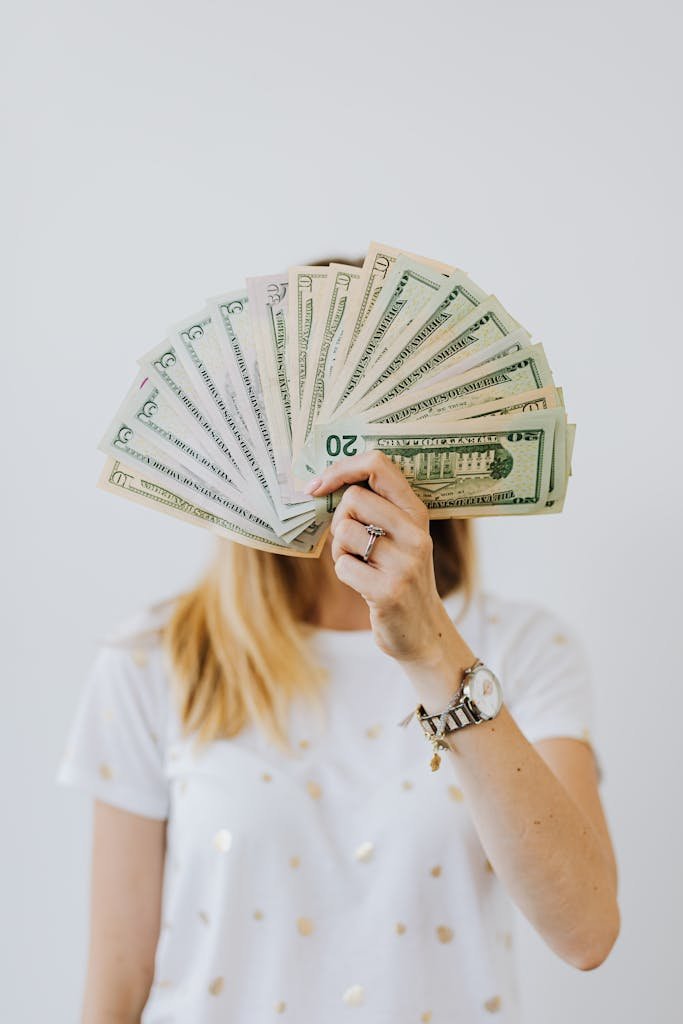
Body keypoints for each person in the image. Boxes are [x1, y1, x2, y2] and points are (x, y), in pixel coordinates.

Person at [56, 448, 619, 1023]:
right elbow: (119, 980)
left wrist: (431, 650)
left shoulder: (524, 648)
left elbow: (587, 931)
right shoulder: (154, 657)